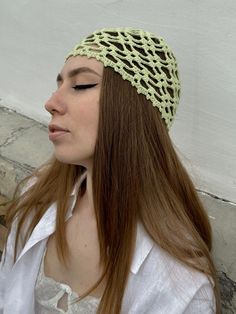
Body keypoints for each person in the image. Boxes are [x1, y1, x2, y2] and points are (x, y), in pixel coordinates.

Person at [0, 28, 221, 314]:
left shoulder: (181, 286)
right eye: (58, 85)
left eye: (80, 85)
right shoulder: (37, 200)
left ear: (131, 107)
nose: (51, 102)